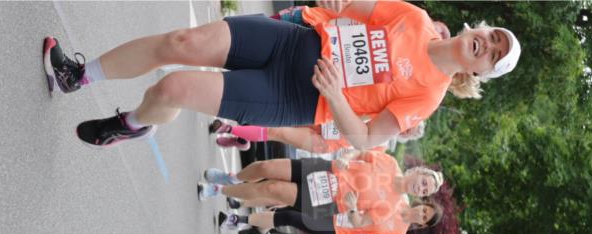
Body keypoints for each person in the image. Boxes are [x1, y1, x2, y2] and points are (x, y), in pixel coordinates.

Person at [43, 1, 521, 148]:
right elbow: (351, 6)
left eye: (493, 55)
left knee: (172, 88)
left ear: (480, 71)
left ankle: (132, 123)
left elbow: (366, 139)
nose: (487, 44)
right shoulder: (414, 17)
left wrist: (335, 96)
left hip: (294, 94)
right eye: (493, 35)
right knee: (181, 44)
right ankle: (78, 76)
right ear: (478, 28)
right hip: (298, 39)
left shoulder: (428, 96)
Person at [198, 153, 442, 234]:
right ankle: (232, 178)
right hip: (325, 170)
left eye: (425, 191)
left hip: (326, 199)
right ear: (418, 172)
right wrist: (347, 156)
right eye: (423, 182)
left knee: (271, 190)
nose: (420, 188)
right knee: (266, 168)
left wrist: (353, 208)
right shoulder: (389, 162)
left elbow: (359, 223)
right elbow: (361, 151)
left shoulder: (390, 207)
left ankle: (220, 191)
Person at [217, 198, 442, 234]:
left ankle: (239, 220)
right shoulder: (398, 199)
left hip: (338, 230)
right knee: (290, 207)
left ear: (421, 225)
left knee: (290, 217)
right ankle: (261, 230)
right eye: (424, 209)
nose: (420, 213)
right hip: (338, 207)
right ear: (421, 204)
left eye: (424, 217)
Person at [211, 117, 425, 153]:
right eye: (409, 124)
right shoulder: (384, 114)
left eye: (408, 131)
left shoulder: (383, 145)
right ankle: (242, 139)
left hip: (325, 142)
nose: (405, 128)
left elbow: (355, 157)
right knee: (277, 121)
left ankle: (230, 129)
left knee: (278, 133)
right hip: (324, 118)